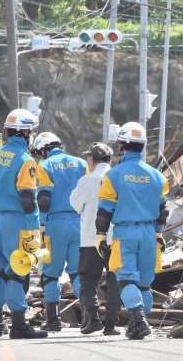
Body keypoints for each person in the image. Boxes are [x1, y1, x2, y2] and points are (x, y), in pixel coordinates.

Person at [96, 122, 169, 340]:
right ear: (143, 145)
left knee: (126, 279)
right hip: (149, 233)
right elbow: (162, 212)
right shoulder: (157, 176)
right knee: (144, 283)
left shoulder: (114, 175)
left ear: (121, 145)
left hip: (125, 233)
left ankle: (138, 319)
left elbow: (104, 212)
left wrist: (100, 236)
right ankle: (138, 326)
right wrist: (158, 233)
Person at [0, 109, 48, 339]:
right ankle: (19, 325)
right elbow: (28, 200)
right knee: (18, 270)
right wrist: (35, 229)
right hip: (17, 220)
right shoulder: (25, 160)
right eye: (29, 131)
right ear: (23, 132)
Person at [33, 132, 87, 331]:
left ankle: (53, 321)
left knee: (50, 274)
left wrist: (40, 224)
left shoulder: (45, 166)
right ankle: (90, 318)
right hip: (78, 223)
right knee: (77, 272)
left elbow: (44, 201)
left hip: (55, 225)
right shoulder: (81, 163)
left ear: (43, 150)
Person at [69, 142, 122, 336]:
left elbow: (74, 203)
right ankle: (111, 325)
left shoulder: (87, 180)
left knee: (88, 280)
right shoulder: (118, 177)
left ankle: (93, 318)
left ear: (91, 159)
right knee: (114, 279)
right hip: (114, 238)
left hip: (91, 238)